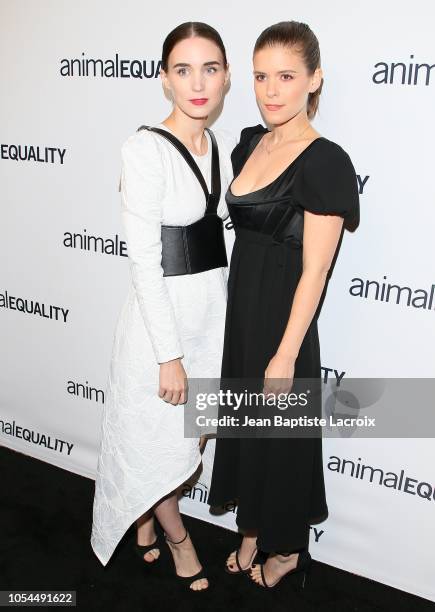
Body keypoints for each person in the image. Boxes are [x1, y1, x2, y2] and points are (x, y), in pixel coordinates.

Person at [208, 20, 360, 589]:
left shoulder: (325, 161)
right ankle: (250, 527)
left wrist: (285, 355)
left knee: (280, 433)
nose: (271, 90)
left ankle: (286, 548)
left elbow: (316, 269)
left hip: (285, 315)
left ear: (314, 79)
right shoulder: (251, 140)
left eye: (287, 76)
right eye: (261, 77)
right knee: (246, 425)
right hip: (243, 304)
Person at [91, 21, 233, 592]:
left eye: (210, 68)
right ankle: (179, 539)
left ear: (225, 78)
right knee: (157, 439)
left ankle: (147, 520)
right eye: (183, 69)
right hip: (162, 327)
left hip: (208, 316)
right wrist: (168, 355)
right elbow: (144, 262)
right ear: (164, 79)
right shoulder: (144, 148)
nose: (197, 82)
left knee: (190, 437)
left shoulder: (214, 143)